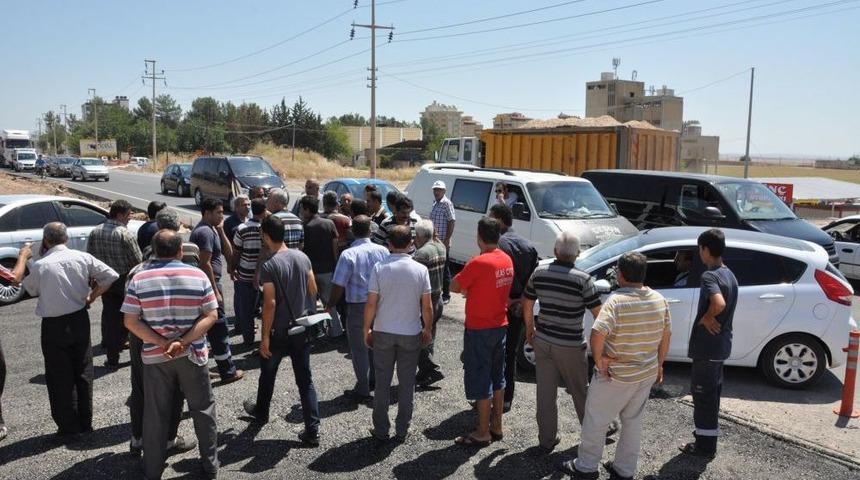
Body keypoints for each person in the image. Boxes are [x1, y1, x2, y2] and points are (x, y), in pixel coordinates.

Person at [560, 252, 671, 480]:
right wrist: (660, 364)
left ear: (620, 275)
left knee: (596, 419)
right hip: (645, 372)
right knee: (633, 422)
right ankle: (624, 469)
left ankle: (586, 466)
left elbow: (598, 331)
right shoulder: (660, 299)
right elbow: (666, 334)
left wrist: (600, 359)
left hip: (616, 375)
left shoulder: (616, 301)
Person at [122, 230, 220, 480]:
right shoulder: (197, 275)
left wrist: (162, 342)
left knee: (155, 414)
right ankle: (210, 465)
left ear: (154, 251)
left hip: (155, 357)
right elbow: (211, 315)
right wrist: (183, 342)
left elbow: (130, 321)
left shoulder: (140, 279)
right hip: (193, 355)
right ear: (180, 251)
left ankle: (152, 470)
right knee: (203, 409)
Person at [11, 223, 118, 436]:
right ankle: (85, 422)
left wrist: (27, 259)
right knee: (83, 370)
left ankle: (68, 426)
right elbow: (111, 276)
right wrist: (92, 295)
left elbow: (29, 288)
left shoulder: (42, 265)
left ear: (46, 241)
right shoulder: (82, 257)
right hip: (79, 318)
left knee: (59, 375)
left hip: (54, 325)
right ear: (66, 239)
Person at [126, 209, 199, 457]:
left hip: (140, 336)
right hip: (173, 337)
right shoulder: (187, 271)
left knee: (140, 388)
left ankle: (138, 438)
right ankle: (168, 439)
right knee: (173, 389)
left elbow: (129, 316)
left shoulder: (135, 273)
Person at [243, 215, 322, 446]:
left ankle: (261, 413)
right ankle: (312, 430)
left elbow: (270, 304)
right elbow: (313, 289)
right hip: (301, 329)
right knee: (305, 380)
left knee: (268, 373)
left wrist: (264, 337)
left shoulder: (269, 266)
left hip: (279, 331)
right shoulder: (303, 257)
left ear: (266, 236)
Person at [522, 232, 602, 452]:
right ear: (577, 254)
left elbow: (527, 303)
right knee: (580, 391)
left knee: (545, 394)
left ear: (556, 251)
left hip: (544, 340)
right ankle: (594, 437)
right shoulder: (583, 280)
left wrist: (531, 329)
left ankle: (547, 439)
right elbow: (599, 315)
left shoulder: (539, 273)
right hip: (571, 345)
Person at [365, 225, 433, 442]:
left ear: (389, 244)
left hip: (383, 330)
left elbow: (371, 304)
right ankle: (402, 429)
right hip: (410, 332)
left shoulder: (379, 268)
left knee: (382, 383)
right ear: (411, 243)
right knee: (406, 384)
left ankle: (381, 429)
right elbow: (427, 306)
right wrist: (427, 328)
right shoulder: (420, 270)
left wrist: (366, 328)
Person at [450, 217, 513, 447]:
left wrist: (469, 287)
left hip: (480, 328)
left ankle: (482, 431)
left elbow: (454, 286)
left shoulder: (478, 262)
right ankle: (497, 426)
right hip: (500, 325)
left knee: (481, 379)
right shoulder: (506, 259)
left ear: (479, 236)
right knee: (498, 378)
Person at [679, 229, 738, 459]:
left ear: (705, 249)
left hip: (708, 349)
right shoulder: (730, 274)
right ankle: (707, 439)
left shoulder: (709, 276)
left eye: (699, 249)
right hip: (721, 347)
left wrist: (707, 317)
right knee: (711, 397)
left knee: (703, 397)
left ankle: (704, 448)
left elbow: (719, 303)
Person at [329, 215, 389, 402]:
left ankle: (363, 388)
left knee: (359, 348)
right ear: (370, 231)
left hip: (357, 307)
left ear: (353, 231)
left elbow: (339, 284)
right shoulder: (383, 251)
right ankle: (376, 382)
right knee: (376, 346)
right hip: (379, 304)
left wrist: (330, 304)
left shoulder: (348, 254)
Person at [489, 203, 538, 412]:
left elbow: (493, 279)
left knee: (493, 353)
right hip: (519, 307)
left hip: (499, 307)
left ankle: (492, 397)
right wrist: (521, 301)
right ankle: (507, 398)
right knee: (510, 353)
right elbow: (534, 280)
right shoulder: (529, 246)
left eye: (492, 218)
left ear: (499, 219)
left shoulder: (497, 245)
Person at [190, 198, 244, 384]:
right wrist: (215, 290)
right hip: (209, 287)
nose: (222, 215)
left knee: (212, 330)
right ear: (207, 213)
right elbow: (205, 263)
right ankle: (228, 372)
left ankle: (209, 370)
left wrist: (220, 230)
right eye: (218, 212)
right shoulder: (204, 232)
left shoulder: (212, 229)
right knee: (219, 329)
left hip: (210, 286)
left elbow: (227, 253)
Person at [87, 199, 143, 369]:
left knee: (111, 320)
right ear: (120, 215)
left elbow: (90, 257)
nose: (130, 218)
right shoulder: (124, 234)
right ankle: (136, 356)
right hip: (125, 280)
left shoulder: (95, 232)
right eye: (128, 215)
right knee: (132, 318)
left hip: (105, 282)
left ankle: (112, 358)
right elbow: (138, 261)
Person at [299, 195, 343, 338]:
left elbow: (302, 249)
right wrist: (335, 263)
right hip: (328, 270)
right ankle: (335, 331)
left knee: (310, 304)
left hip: (310, 271)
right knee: (330, 303)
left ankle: (313, 332)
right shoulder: (329, 224)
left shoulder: (304, 226)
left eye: (302, 209)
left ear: (306, 209)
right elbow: (334, 245)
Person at [413, 220, 447, 387]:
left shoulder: (420, 254)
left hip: (425, 302)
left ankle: (431, 369)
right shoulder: (441, 247)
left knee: (417, 338)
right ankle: (425, 374)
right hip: (438, 299)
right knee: (429, 337)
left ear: (419, 236)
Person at [230, 198, 267, 346]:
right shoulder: (267, 228)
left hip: (245, 275)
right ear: (264, 210)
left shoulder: (241, 229)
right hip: (265, 275)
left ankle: (248, 339)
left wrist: (232, 268)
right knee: (267, 308)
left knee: (246, 310)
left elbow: (236, 253)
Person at [429, 180, 455, 303]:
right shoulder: (435, 203)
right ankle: (437, 292)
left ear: (444, 191)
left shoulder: (446, 203)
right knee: (437, 267)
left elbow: (451, 221)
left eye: (439, 190)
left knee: (445, 269)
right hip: (434, 241)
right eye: (435, 190)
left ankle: (446, 295)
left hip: (443, 242)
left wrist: (447, 239)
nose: (436, 192)